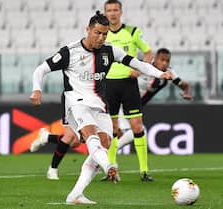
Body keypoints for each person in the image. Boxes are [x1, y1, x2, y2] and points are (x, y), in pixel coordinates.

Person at [30, 11, 171, 204]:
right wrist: (37, 90)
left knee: (104, 143)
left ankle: (76, 194)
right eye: (97, 33)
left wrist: (159, 74)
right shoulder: (69, 52)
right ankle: (109, 167)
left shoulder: (109, 51)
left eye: (104, 34)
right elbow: (41, 69)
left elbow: (137, 63)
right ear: (88, 30)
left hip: (99, 105)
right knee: (91, 137)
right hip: (76, 102)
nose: (101, 38)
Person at [104, 0, 155, 181]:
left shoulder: (132, 32)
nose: (112, 13)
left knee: (137, 126)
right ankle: (111, 171)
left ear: (121, 12)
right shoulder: (102, 34)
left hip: (128, 84)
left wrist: (140, 68)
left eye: (115, 10)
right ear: (105, 12)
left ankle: (144, 171)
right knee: (112, 128)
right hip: (108, 84)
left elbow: (148, 53)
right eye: (109, 10)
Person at [115, 48, 192, 153]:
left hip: (132, 108)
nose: (164, 63)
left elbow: (184, 85)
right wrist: (129, 73)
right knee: (136, 131)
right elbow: (121, 70)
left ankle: (108, 156)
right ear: (155, 58)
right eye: (162, 60)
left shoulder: (169, 73)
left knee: (130, 133)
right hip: (121, 103)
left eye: (167, 61)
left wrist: (187, 92)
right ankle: (110, 153)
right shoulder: (143, 65)